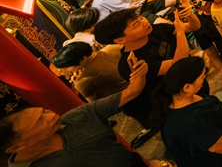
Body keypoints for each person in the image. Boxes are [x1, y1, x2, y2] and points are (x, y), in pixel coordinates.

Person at [0, 59, 149, 167]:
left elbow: (131, 92)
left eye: (44, 111)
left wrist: (139, 73)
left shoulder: (78, 116)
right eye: (40, 121)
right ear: (16, 147)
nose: (51, 115)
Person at [92, 4, 200, 131]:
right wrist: (180, 32)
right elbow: (178, 66)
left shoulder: (155, 30)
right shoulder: (131, 64)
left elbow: (193, 27)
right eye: (136, 24)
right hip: (176, 102)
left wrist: (189, 15)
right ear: (120, 40)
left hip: (192, 82)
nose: (145, 22)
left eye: (141, 18)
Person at [151, 56, 222, 167]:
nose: (204, 79)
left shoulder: (184, 96)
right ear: (187, 87)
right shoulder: (188, 121)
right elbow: (217, 145)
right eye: (202, 77)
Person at [50, 41, 128, 102]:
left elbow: (96, 105)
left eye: (67, 67)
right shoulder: (112, 47)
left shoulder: (83, 82)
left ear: (83, 59)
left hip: (125, 102)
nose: (66, 70)